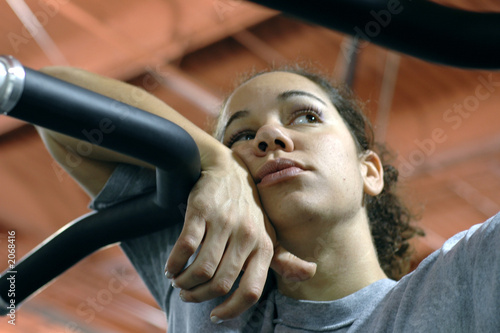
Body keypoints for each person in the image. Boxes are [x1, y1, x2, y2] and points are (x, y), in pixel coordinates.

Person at [37, 65, 500, 332]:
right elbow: (48, 99)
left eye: (305, 117)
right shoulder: (207, 277)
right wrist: (211, 163)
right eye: (241, 135)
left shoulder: (461, 281)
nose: (270, 135)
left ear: (369, 171)